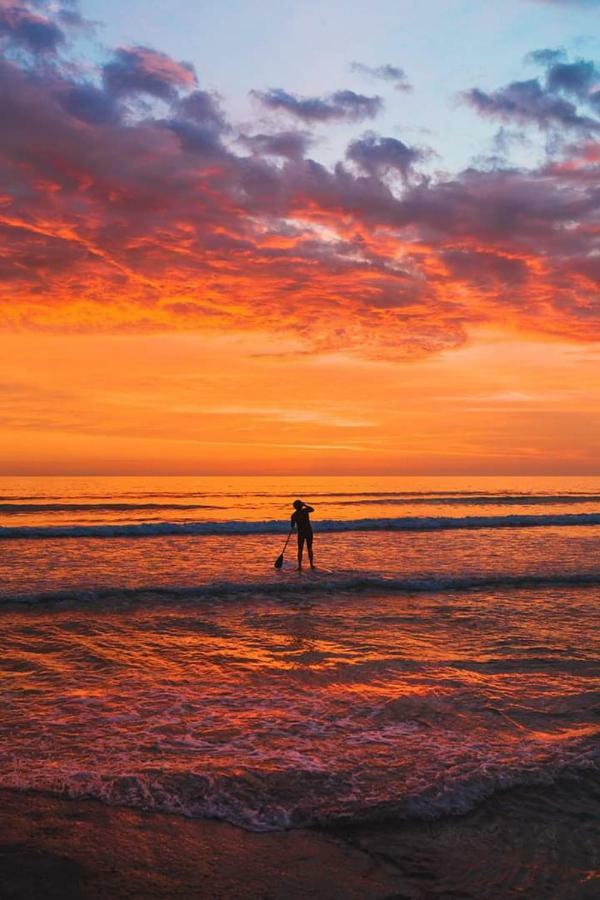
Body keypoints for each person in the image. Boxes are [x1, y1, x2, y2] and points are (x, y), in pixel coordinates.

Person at [291, 499, 315, 570]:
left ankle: (299, 566)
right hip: (308, 532)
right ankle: (311, 565)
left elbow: (292, 525)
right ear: (301, 506)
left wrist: (294, 523)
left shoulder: (294, 515)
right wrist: (305, 505)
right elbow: (312, 509)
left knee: (300, 549)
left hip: (301, 533)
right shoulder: (305, 511)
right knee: (309, 548)